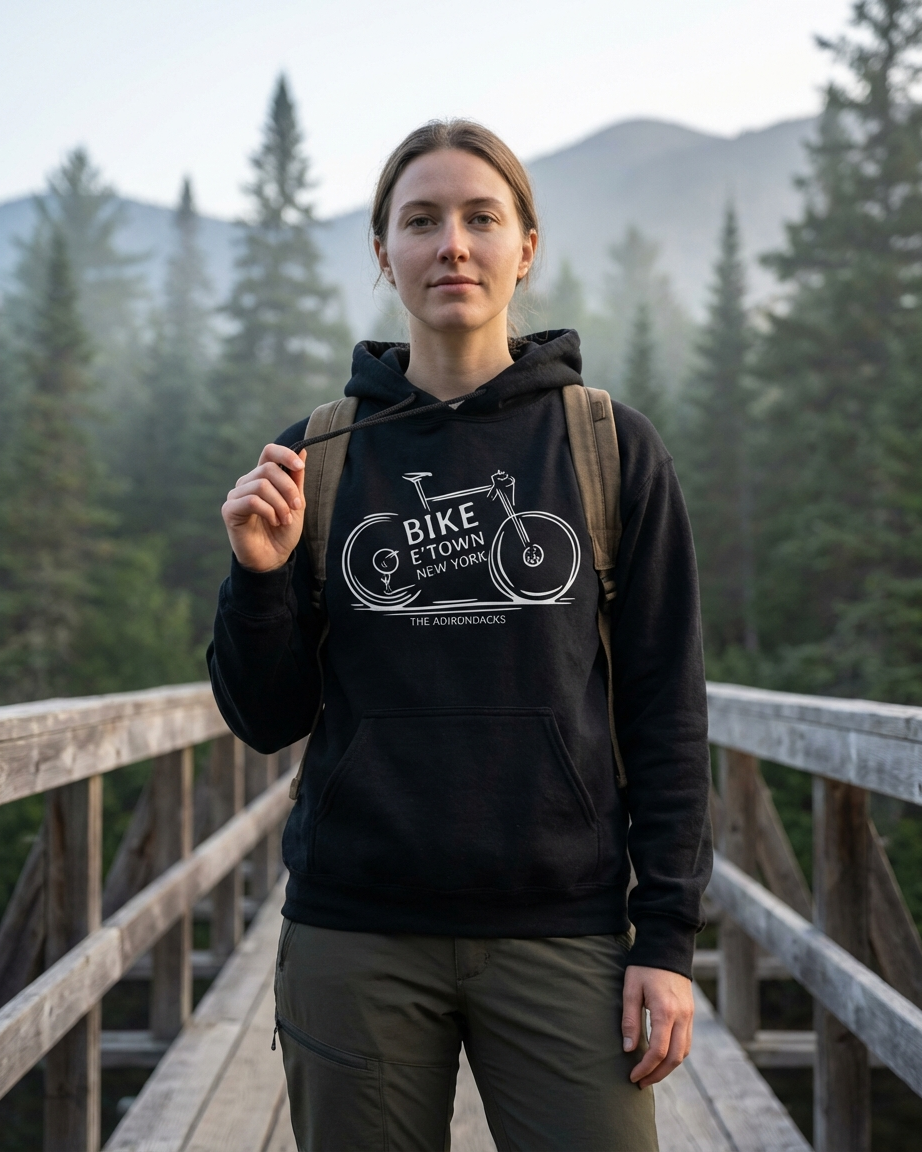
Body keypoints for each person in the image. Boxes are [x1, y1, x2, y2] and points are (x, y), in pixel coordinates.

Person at [208, 119, 712, 1152]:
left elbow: (668, 710)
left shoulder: (606, 443)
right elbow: (267, 720)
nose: (452, 244)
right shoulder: (319, 453)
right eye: (421, 220)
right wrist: (258, 579)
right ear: (384, 254)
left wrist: (664, 938)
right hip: (356, 933)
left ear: (525, 247)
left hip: (563, 932)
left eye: (482, 218)